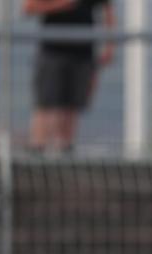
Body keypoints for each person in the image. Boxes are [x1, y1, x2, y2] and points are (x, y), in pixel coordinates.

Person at [24, 0, 115, 153]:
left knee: (72, 108)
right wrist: (62, 4)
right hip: (52, 52)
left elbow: (108, 12)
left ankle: (65, 153)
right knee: (46, 105)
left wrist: (110, 47)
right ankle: (37, 152)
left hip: (83, 53)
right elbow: (29, 7)